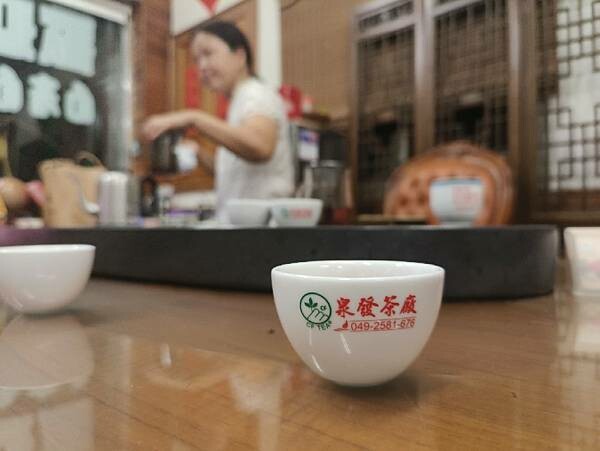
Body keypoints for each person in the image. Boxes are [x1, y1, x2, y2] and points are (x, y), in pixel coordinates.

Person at [142, 21, 293, 221]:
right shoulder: (240, 102)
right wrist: (199, 153)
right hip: (245, 227)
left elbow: (260, 147)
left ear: (239, 56)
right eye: (197, 59)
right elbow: (232, 173)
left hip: (260, 229)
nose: (201, 66)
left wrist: (193, 117)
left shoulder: (255, 94)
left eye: (208, 53)